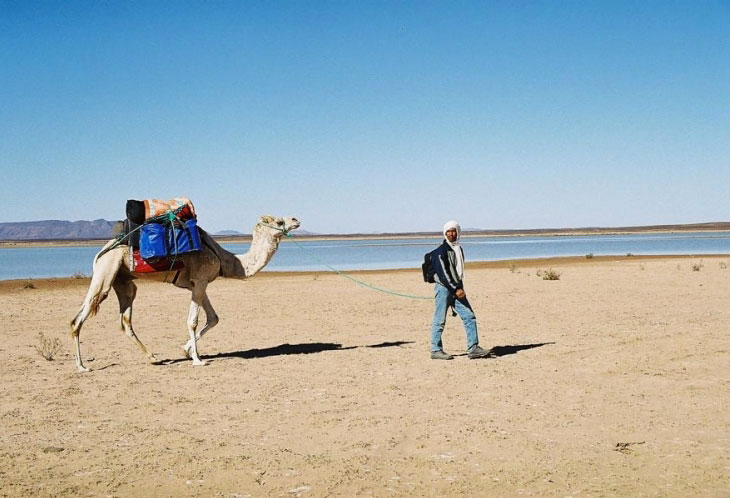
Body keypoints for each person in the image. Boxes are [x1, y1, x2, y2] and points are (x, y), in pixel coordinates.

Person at [429, 220, 491, 360]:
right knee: (440, 319)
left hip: (457, 288)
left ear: (458, 232)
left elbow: (457, 272)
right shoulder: (440, 252)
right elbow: (444, 274)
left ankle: (473, 348)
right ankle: (435, 350)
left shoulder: (458, 249)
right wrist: (456, 289)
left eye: (454, 231)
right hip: (444, 289)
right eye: (449, 231)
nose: (451, 234)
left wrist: (460, 287)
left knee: (469, 315)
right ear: (445, 233)